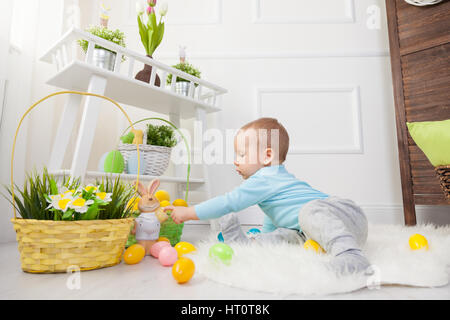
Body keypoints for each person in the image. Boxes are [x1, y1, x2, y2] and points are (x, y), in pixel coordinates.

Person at [163, 117, 371, 275]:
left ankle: (350, 255)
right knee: (289, 236)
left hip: (343, 216)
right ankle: (248, 245)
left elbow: (228, 202)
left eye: (242, 155)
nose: (236, 161)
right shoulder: (272, 183)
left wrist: (189, 212)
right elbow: (273, 215)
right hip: (316, 232)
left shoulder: (265, 178)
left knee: (309, 212)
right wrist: (265, 236)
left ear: (267, 156)